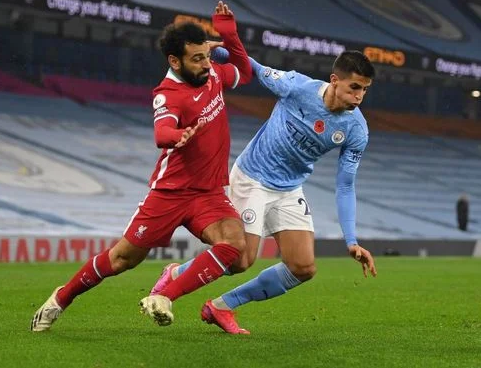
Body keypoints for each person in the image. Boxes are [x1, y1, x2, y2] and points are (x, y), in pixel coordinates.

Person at [30, 1, 252, 332]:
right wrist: (179, 135)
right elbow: (162, 133)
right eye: (196, 59)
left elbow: (244, 73)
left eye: (206, 56)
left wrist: (230, 35)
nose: (206, 64)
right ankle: (61, 298)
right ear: (175, 61)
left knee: (235, 248)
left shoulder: (213, 74)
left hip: (207, 192)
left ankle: (165, 295)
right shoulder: (168, 93)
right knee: (123, 259)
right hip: (170, 192)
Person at [149, 47, 378, 335]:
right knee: (241, 260)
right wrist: (219, 52)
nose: (359, 96)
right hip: (253, 177)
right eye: (354, 87)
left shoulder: (356, 129)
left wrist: (351, 240)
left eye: (365, 90)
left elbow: (345, 184)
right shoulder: (297, 86)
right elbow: (255, 68)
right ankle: (175, 273)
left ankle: (221, 306)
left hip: (289, 187)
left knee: (303, 267)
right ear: (335, 80)